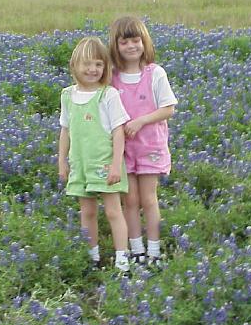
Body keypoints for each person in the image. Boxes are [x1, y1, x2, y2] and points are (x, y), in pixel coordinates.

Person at [109, 16, 177, 268]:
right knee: (131, 201)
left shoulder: (155, 73)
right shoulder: (112, 77)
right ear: (115, 45)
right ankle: (136, 249)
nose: (131, 46)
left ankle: (154, 249)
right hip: (123, 150)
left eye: (135, 40)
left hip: (150, 146)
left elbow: (168, 108)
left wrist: (140, 121)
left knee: (149, 199)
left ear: (144, 41)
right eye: (124, 41)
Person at [58, 36, 130, 273]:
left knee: (112, 211)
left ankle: (122, 259)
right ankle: (93, 256)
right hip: (79, 163)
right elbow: (65, 131)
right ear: (74, 66)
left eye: (98, 64)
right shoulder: (67, 95)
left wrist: (115, 165)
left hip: (104, 163)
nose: (92, 69)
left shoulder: (108, 94)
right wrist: (62, 161)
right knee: (87, 211)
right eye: (87, 64)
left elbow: (119, 132)